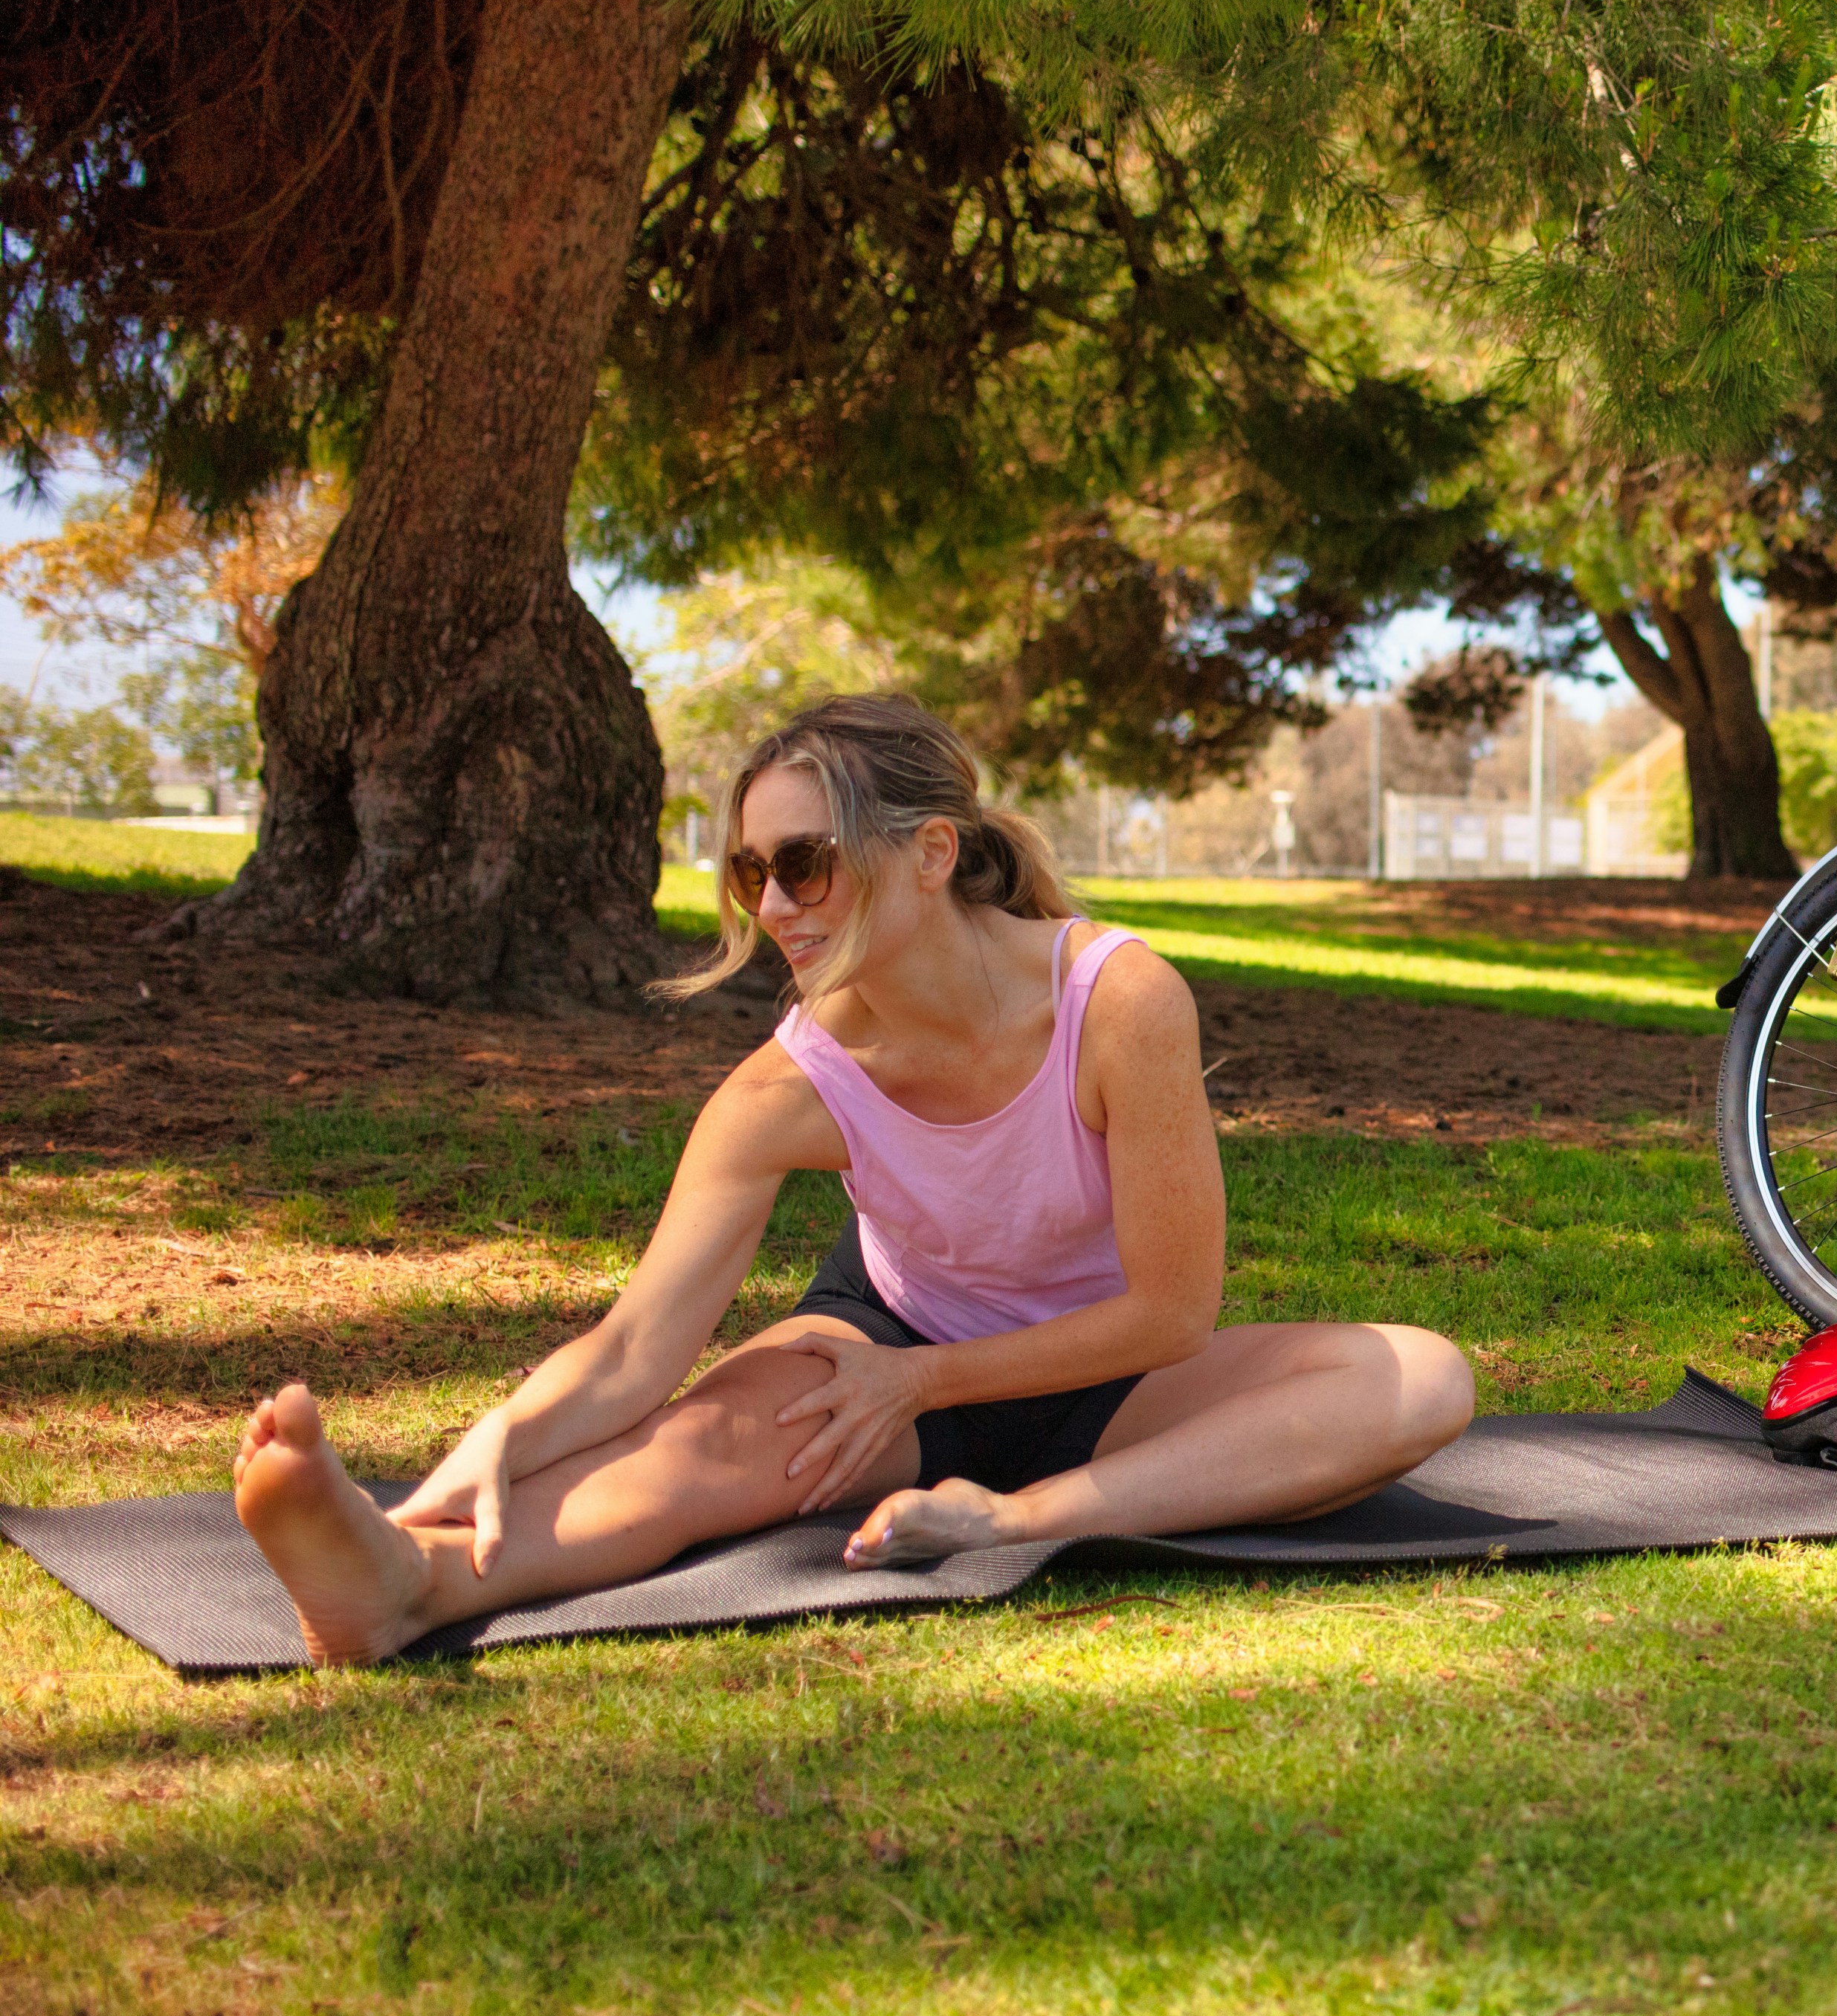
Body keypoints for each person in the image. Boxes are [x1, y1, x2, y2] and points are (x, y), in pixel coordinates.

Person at [230, 694, 1473, 1665]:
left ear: (931, 851)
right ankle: (404, 1583)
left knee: (1422, 1376)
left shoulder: (1117, 1001)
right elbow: (631, 1352)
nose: (775, 902)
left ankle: (1017, 1519)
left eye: (806, 862)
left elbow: (1173, 1314)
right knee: (692, 1458)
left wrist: (938, 1403)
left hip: (1110, 1373)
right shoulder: (790, 1085)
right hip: (885, 1340)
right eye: (749, 872)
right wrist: (505, 1431)